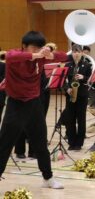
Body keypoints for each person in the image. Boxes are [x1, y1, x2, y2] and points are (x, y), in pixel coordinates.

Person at [0, 31, 68, 189]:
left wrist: (51, 55)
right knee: (5, 143)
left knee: (40, 143)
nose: (37, 51)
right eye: (33, 48)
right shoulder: (15, 54)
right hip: (15, 105)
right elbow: (10, 57)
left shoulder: (42, 57)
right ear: (24, 46)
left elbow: (64, 56)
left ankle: (48, 178)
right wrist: (37, 56)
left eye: (39, 48)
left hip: (34, 105)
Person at [63, 44, 93, 150]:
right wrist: (67, 89)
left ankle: (79, 143)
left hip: (82, 95)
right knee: (70, 119)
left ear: (81, 53)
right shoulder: (67, 65)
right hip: (70, 94)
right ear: (72, 53)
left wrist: (83, 77)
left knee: (81, 119)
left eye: (78, 52)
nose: (76, 54)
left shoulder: (87, 65)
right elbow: (63, 80)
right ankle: (71, 142)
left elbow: (91, 79)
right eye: (74, 52)